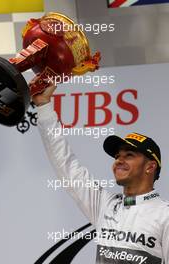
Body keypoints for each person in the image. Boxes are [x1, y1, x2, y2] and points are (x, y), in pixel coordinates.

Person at [33, 83, 169, 264]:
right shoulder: (105, 205)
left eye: (129, 155)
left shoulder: (164, 215)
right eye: (117, 156)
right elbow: (66, 164)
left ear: (150, 167)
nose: (119, 161)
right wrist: (43, 106)